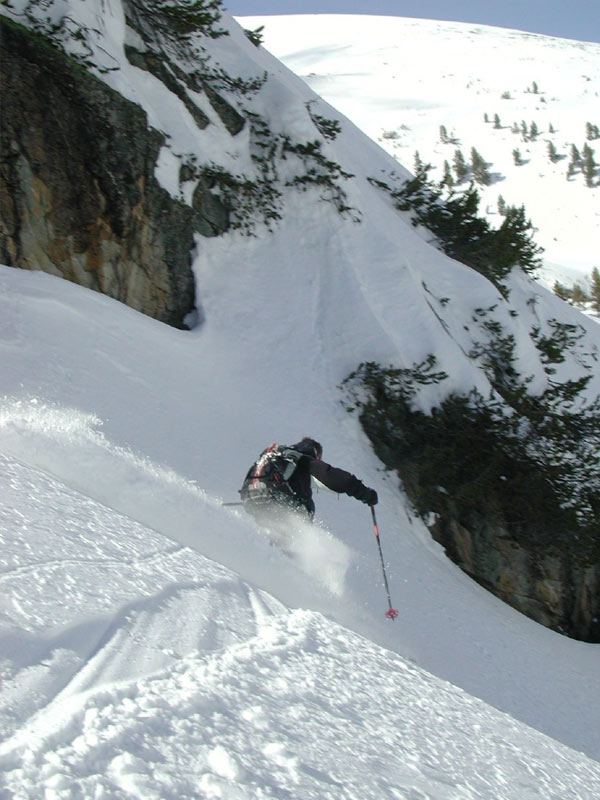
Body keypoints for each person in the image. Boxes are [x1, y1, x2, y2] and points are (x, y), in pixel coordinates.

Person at [239, 437, 378, 521]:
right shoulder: (304, 460)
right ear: (317, 455)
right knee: (305, 509)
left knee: (274, 528)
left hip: (250, 499)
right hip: (276, 501)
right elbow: (341, 480)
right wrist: (367, 495)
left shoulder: (279, 457)